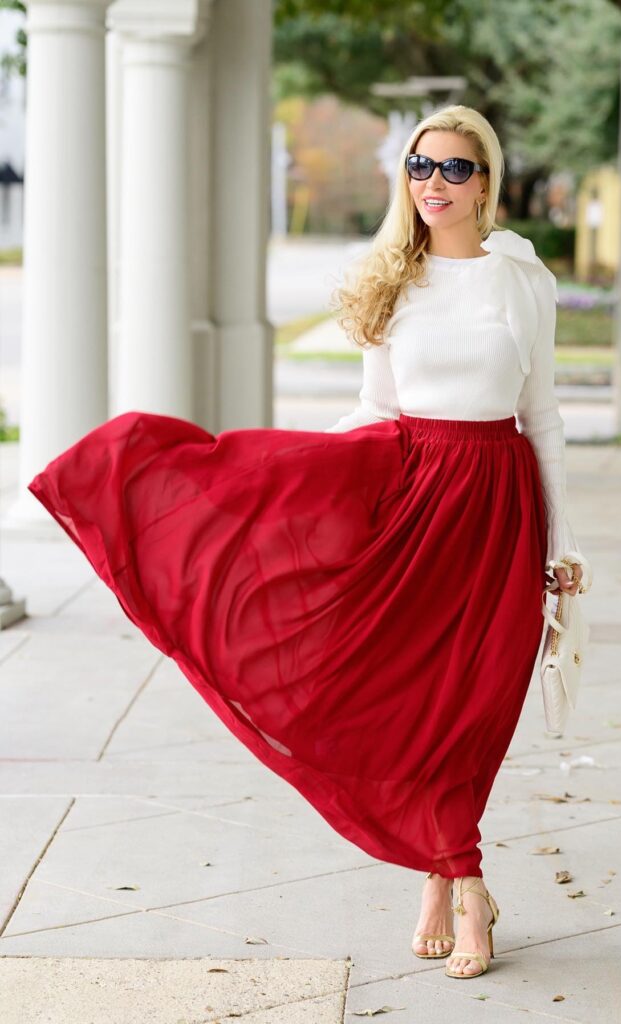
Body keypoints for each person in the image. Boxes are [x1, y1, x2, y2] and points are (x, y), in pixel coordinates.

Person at [26, 103, 587, 981]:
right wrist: (289, 478)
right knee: (411, 706)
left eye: (453, 169)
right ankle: (458, 881)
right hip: (413, 506)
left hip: (497, 512)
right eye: (418, 166)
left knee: (473, 708)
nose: (432, 184)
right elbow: (377, 410)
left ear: (488, 182)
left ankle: (448, 872)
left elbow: (543, 419)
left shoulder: (523, 281)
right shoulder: (390, 279)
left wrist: (564, 543)